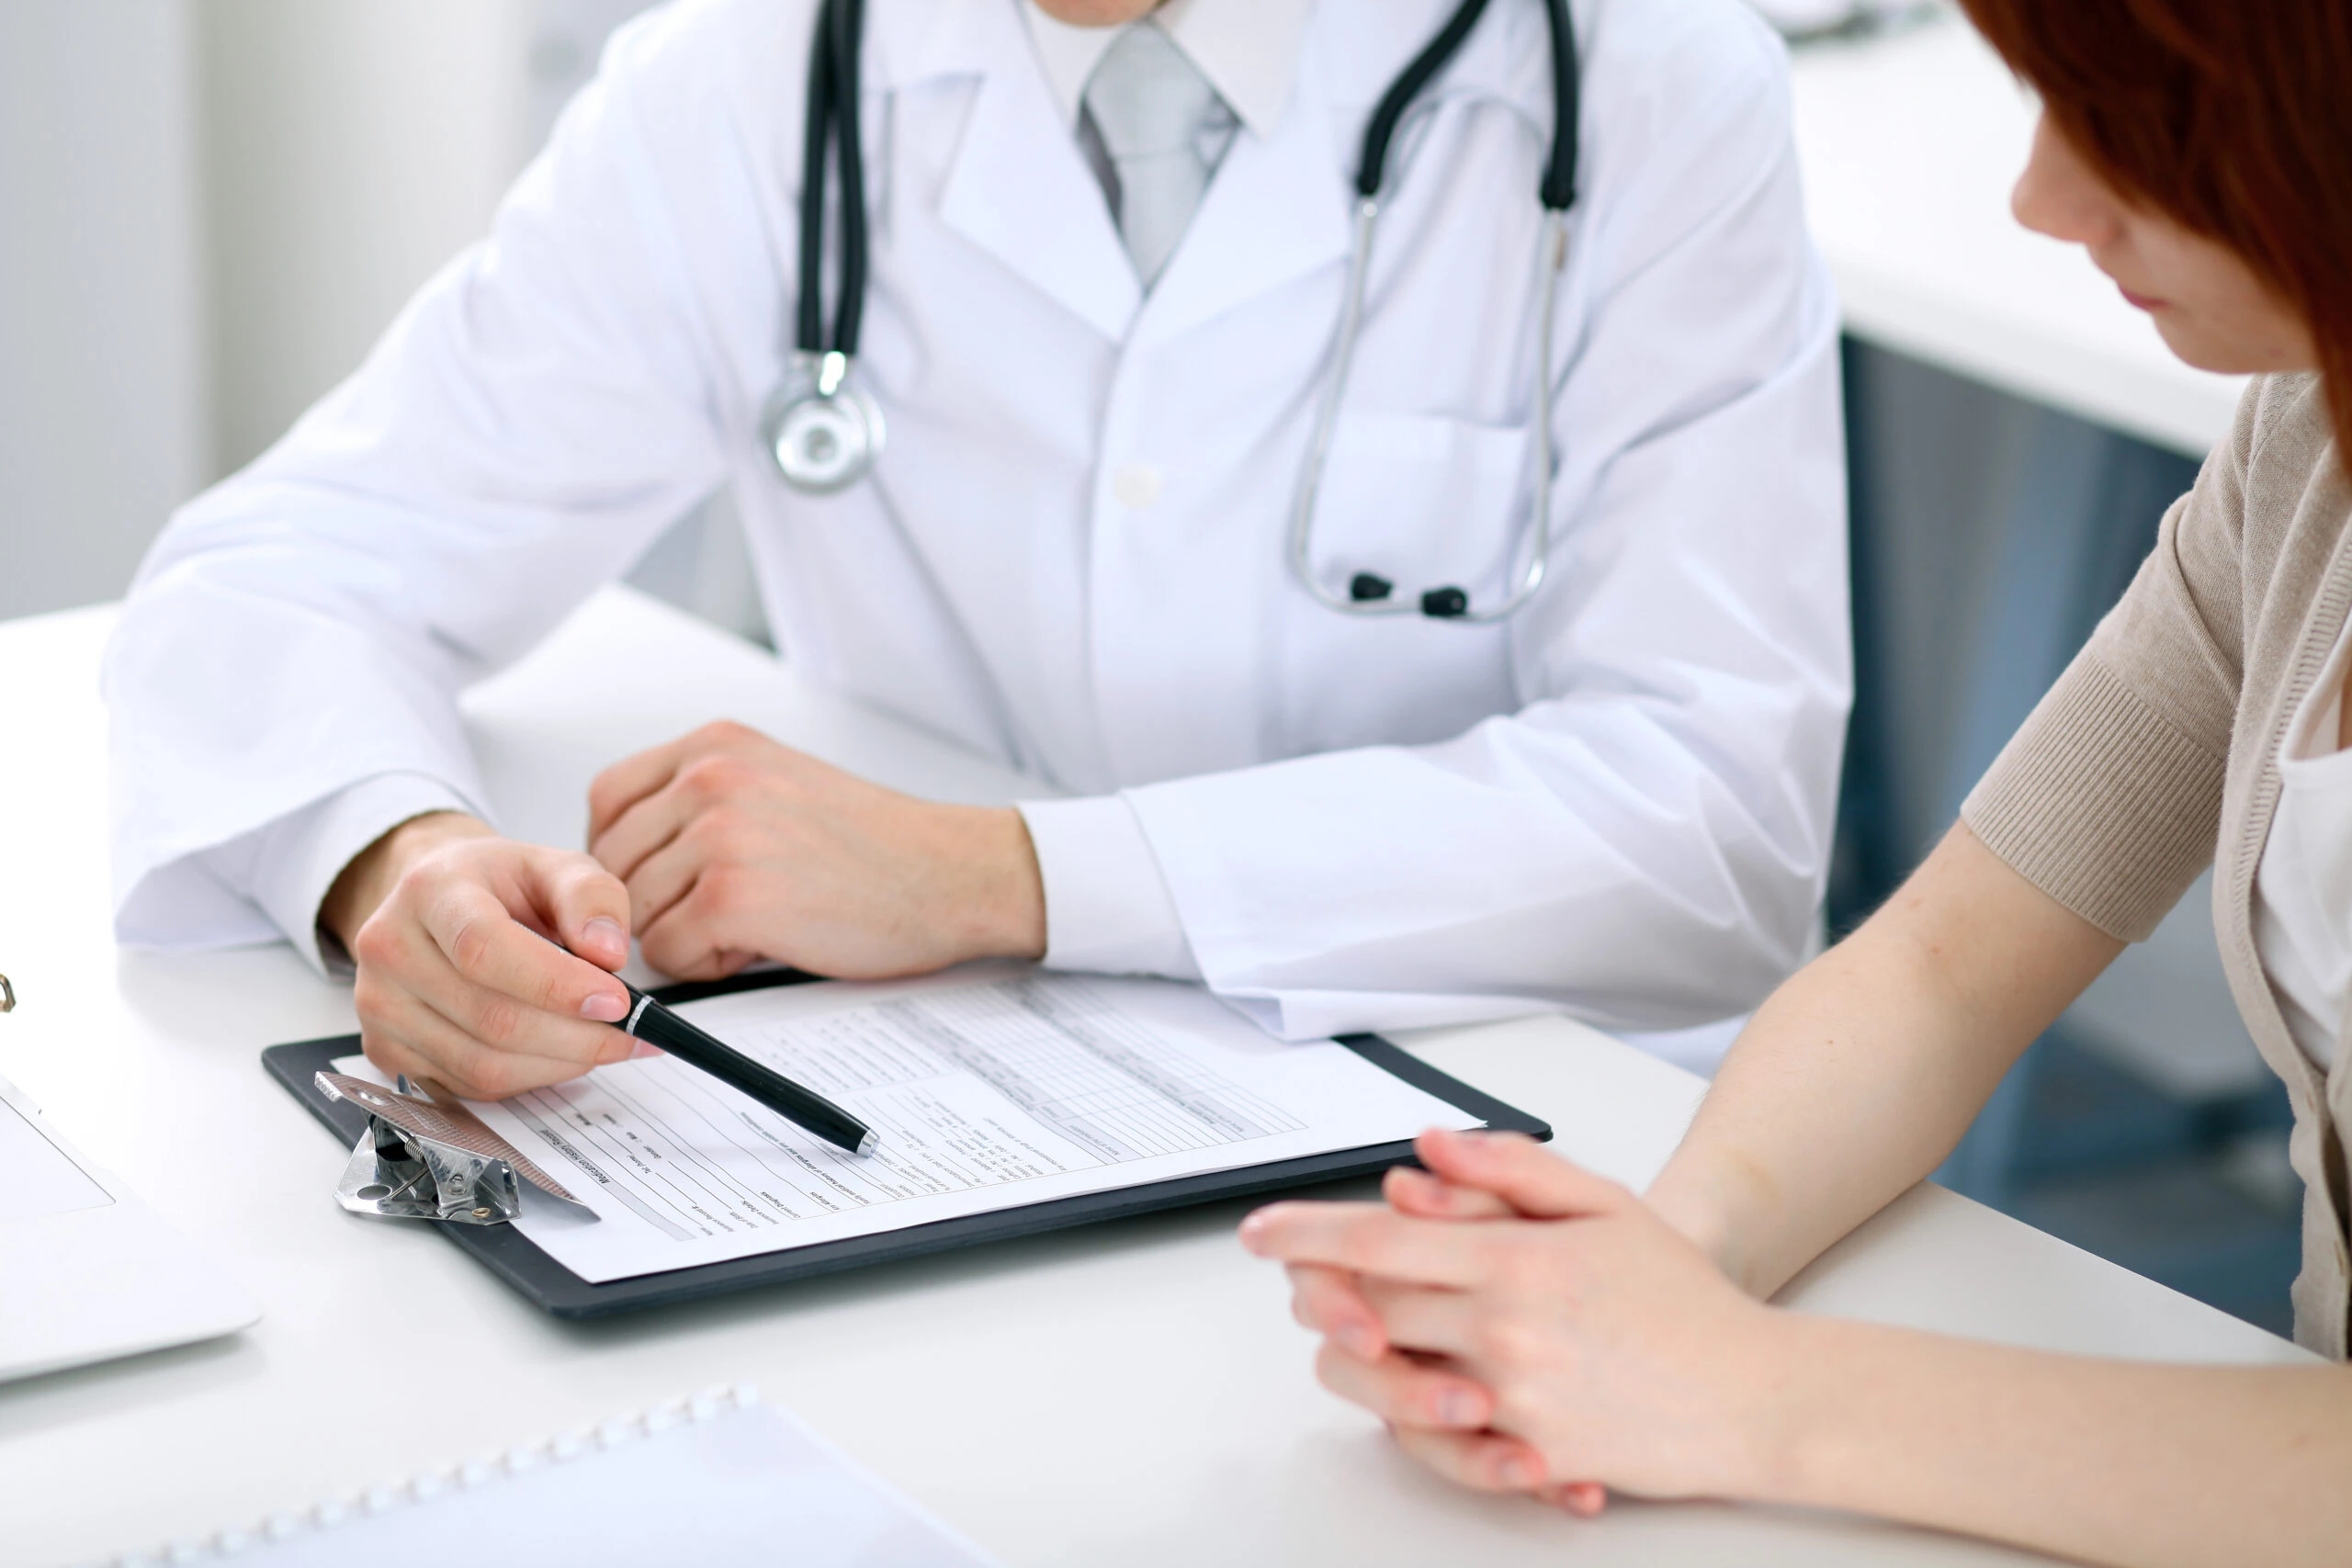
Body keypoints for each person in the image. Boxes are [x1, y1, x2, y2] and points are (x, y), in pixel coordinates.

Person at [105, 0, 1845, 1100]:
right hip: (961, 1116)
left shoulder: (1646, 80)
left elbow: (1714, 826)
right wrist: (397, 858)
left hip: (1528, 1116)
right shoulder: (760, 74)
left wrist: (997, 875)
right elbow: (279, 573)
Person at [1244, 2, 2352, 1562]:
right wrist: (1663, 1262)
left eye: (2133, 128)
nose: (2041, 199)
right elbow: (1951, 960)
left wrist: (1744, 1390)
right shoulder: (2308, 445)